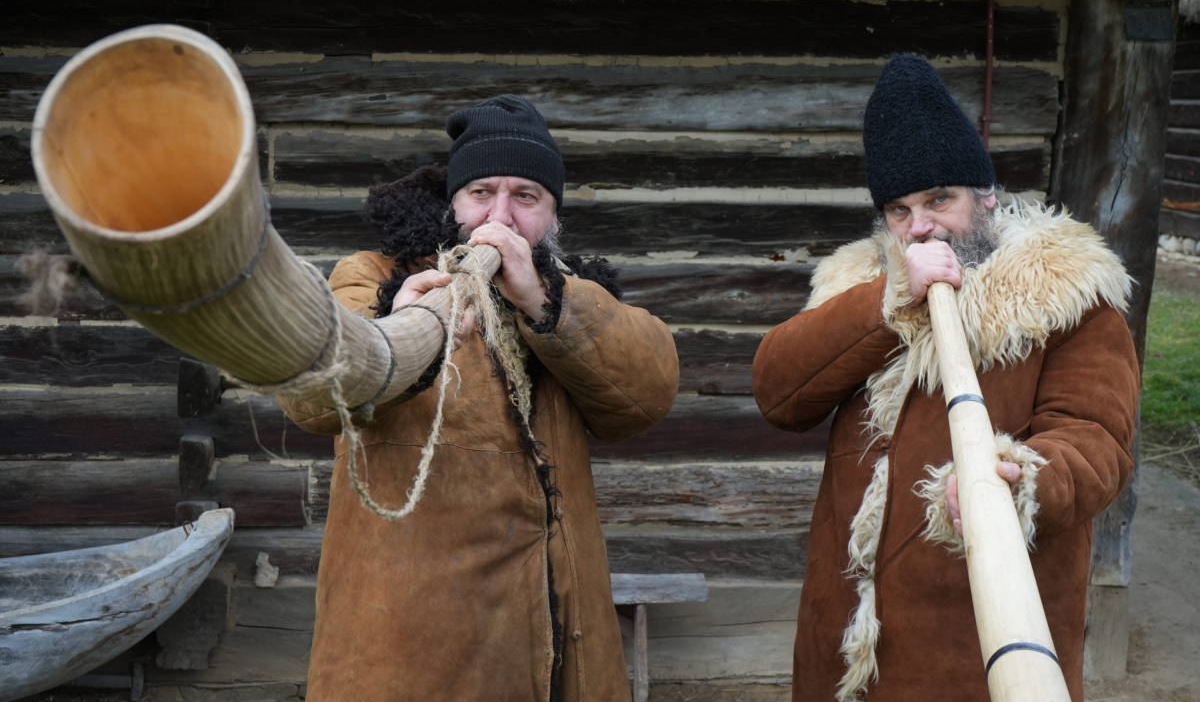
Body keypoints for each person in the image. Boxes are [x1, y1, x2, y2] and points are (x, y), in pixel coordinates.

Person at [752, 55, 1140, 702]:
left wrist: (1022, 478)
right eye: (900, 210)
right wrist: (885, 306)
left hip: (978, 640)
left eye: (939, 200)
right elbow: (779, 394)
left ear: (985, 197)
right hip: (844, 635)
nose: (921, 226)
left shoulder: (1069, 297)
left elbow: (1097, 440)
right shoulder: (860, 286)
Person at [280, 95, 679, 702]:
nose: (500, 217)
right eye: (481, 193)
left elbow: (645, 395)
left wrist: (544, 301)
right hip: (413, 632)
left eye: (526, 196)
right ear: (453, 202)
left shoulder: (569, 293)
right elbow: (310, 398)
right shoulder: (373, 277)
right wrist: (399, 325)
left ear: (553, 214)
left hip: (560, 616)